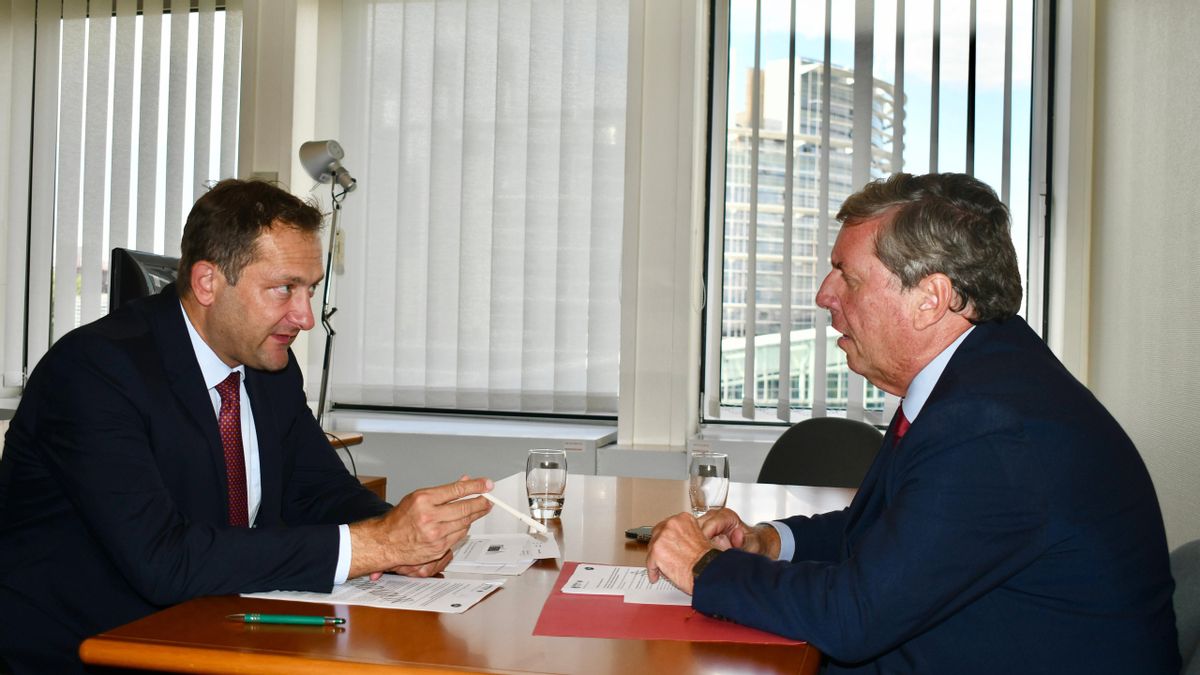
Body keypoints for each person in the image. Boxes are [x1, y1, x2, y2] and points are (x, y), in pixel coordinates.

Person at [646, 172, 1180, 673]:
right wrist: (771, 542)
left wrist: (703, 569)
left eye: (848, 278)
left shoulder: (994, 428)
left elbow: (852, 618)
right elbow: (890, 531)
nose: (824, 296)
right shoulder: (978, 378)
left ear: (931, 299)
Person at [0, 179, 493, 674]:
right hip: (91, 649)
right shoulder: (95, 372)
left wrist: (406, 537)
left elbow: (316, 491)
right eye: (284, 289)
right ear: (208, 282)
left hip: (217, 628)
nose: (304, 318)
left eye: (311, 290)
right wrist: (378, 543)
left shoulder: (266, 366)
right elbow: (163, 560)